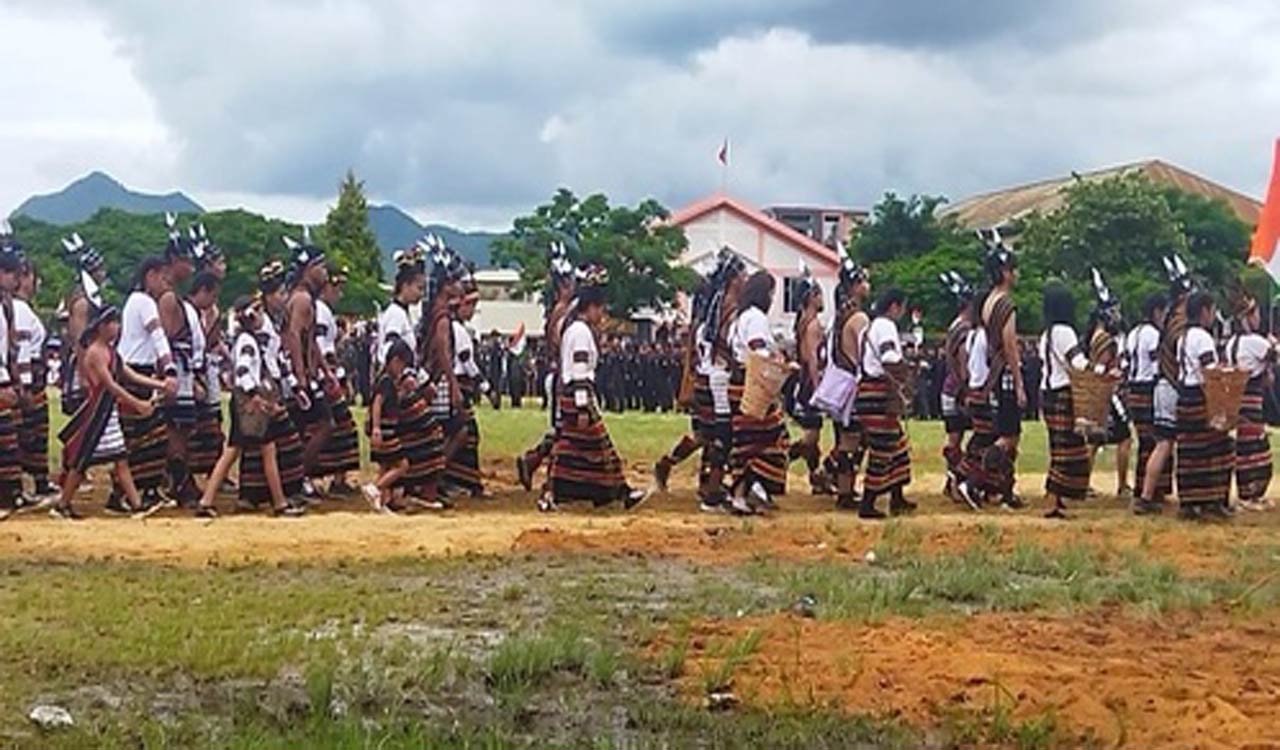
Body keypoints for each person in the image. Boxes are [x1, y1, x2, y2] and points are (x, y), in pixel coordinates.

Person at [195, 291, 307, 518]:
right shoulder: (248, 341)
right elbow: (244, 370)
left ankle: (207, 501)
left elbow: (277, 363)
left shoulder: (254, 339)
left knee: (235, 451)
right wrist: (254, 395)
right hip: (249, 401)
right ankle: (279, 503)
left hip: (245, 400)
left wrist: (294, 388)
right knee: (264, 450)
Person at [544, 264, 646, 511]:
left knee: (583, 450)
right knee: (588, 448)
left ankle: (609, 492)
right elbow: (580, 370)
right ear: (589, 307)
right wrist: (582, 406)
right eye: (600, 308)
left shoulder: (576, 328)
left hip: (576, 396)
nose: (602, 313)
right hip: (578, 396)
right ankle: (554, 495)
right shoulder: (580, 332)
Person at [55, 301, 168, 520]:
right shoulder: (96, 353)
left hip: (107, 413)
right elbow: (111, 386)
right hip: (97, 413)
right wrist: (137, 403)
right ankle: (62, 504)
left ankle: (136, 505)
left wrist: (161, 385)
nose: (117, 327)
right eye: (113, 323)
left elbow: (130, 375)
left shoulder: (110, 352)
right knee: (82, 461)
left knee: (120, 458)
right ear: (101, 326)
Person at [653, 249, 746, 511]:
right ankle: (712, 491)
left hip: (706, 379)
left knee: (704, 435)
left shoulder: (711, 311)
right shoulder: (730, 311)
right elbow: (727, 349)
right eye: (742, 274)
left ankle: (682, 470)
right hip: (718, 381)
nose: (746, 279)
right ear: (732, 279)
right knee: (721, 437)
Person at [957, 232, 1024, 510]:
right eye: (1013, 269)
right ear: (1005, 272)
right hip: (1004, 375)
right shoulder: (1005, 304)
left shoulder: (986, 302)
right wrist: (1019, 382)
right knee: (1007, 436)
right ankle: (973, 482)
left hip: (993, 376)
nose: (1016, 274)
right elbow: (1009, 344)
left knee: (1011, 434)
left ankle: (1005, 490)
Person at [115, 255, 180, 513]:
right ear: (150, 276)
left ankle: (145, 489)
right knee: (142, 437)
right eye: (163, 277)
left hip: (136, 371)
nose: (167, 284)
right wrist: (170, 369)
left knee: (146, 437)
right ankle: (127, 492)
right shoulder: (144, 302)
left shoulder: (134, 301)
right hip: (136, 373)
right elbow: (158, 336)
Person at [1137, 255, 1195, 516]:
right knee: (1168, 444)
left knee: (1164, 443)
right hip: (1171, 387)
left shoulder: (1172, 316)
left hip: (1163, 386)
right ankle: (1149, 497)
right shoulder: (1181, 319)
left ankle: (1147, 496)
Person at [517, 242, 575, 494]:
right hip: (562, 378)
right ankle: (548, 478)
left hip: (558, 377)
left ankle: (536, 463)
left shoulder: (558, 312)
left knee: (564, 431)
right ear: (563, 286)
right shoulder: (562, 314)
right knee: (565, 432)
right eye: (571, 282)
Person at [855, 287, 915, 518]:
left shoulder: (868, 328)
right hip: (878, 395)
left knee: (897, 445)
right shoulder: (886, 326)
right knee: (884, 447)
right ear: (894, 307)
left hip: (867, 393)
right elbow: (890, 357)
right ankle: (868, 503)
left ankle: (897, 497)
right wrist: (906, 377)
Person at [1174, 291, 1233, 521]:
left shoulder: (1183, 338)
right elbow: (1210, 372)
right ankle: (1212, 501)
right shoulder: (1203, 338)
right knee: (1214, 447)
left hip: (1184, 397)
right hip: (1201, 398)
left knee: (1189, 451)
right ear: (1204, 311)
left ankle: (1189, 502)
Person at [282, 231, 334, 480]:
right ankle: (298, 477)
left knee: (303, 428)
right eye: (321, 267)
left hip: (305, 374)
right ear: (309, 268)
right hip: (298, 378)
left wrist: (325, 370)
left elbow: (311, 340)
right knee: (323, 425)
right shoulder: (302, 299)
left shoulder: (303, 298)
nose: (325, 272)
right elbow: (294, 336)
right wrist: (301, 376)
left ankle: (296, 477)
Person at [156, 218, 200, 505]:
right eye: (188, 261)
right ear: (174, 261)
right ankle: (180, 481)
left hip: (183, 370)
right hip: (177, 371)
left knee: (182, 428)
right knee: (176, 429)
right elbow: (165, 340)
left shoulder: (172, 296)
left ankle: (178, 478)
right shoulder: (169, 298)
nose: (192, 268)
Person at [1038, 282, 1091, 519]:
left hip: (1047, 394)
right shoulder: (1065, 332)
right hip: (1062, 394)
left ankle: (1056, 498)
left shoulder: (1046, 335)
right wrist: (1100, 370)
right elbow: (1077, 363)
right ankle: (1052, 498)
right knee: (1068, 449)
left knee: (1058, 446)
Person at [1224, 286, 1275, 511]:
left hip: (1239, 402)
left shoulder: (1231, 344)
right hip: (1251, 403)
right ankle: (1249, 496)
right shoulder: (1254, 342)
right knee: (1256, 452)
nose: (1259, 318)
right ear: (1247, 318)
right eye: (1255, 314)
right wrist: (1272, 344)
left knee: (1247, 450)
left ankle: (1250, 495)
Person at [1084, 269, 1133, 499]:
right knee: (1123, 438)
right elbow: (1102, 367)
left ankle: (1083, 483)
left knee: (1095, 440)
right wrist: (1113, 374)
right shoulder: (1103, 337)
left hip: (1101, 393)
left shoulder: (1097, 334)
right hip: (1108, 393)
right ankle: (1122, 485)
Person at [312, 266, 360, 495]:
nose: (339, 295)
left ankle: (337, 478)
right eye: (337, 288)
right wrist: (333, 375)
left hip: (328, 375)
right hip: (325, 378)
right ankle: (315, 477)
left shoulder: (324, 311)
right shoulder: (320, 311)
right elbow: (322, 348)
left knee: (340, 428)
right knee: (340, 427)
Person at [785, 265, 833, 495]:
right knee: (811, 435)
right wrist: (817, 387)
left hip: (802, 381)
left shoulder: (804, 321)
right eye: (819, 294)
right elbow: (812, 358)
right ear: (812, 298)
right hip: (807, 382)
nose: (823, 299)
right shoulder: (813, 324)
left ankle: (816, 477)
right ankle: (781, 461)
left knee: (814, 436)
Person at [829, 258, 871, 512]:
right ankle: (844, 490)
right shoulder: (858, 318)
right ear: (855, 285)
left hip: (841, 384)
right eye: (864, 280)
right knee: (853, 441)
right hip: (853, 384)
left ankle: (844, 488)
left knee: (847, 439)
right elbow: (865, 353)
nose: (868, 284)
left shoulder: (841, 314)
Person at [442, 267, 485, 497]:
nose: (472, 311)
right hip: (458, 385)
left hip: (457, 385)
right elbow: (467, 361)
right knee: (466, 432)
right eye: (471, 306)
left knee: (464, 433)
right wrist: (485, 385)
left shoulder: (454, 327)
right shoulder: (458, 329)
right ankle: (450, 478)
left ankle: (461, 480)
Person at [1125, 293, 1168, 514]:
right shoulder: (1153, 334)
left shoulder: (1132, 334)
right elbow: (1155, 365)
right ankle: (1147, 491)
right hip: (1148, 389)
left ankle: (1142, 488)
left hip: (1133, 389)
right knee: (1153, 441)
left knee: (1144, 440)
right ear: (1156, 312)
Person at [13, 259, 53, 500]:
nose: (37, 283)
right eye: (34, 277)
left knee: (35, 432)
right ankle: (20, 486)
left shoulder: (22, 308)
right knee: (27, 432)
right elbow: (22, 348)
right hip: (29, 381)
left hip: (34, 380)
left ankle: (39, 482)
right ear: (24, 277)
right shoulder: (20, 309)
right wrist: (25, 385)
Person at [364, 339, 416, 512]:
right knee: (402, 464)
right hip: (386, 429)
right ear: (395, 361)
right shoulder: (386, 381)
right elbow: (377, 403)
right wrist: (377, 427)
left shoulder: (387, 381)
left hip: (387, 427)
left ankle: (383, 502)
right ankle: (376, 488)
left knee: (385, 465)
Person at [183, 272, 223, 485]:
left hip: (198, 374)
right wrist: (196, 381)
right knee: (187, 432)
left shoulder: (196, 313)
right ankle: (181, 478)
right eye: (212, 296)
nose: (213, 303)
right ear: (203, 291)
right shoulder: (188, 312)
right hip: (191, 376)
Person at [938, 271, 974, 503]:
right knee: (955, 438)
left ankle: (951, 481)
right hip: (956, 389)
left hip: (950, 387)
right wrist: (967, 387)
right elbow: (962, 361)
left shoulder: (955, 326)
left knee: (956, 437)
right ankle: (955, 481)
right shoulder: (963, 329)